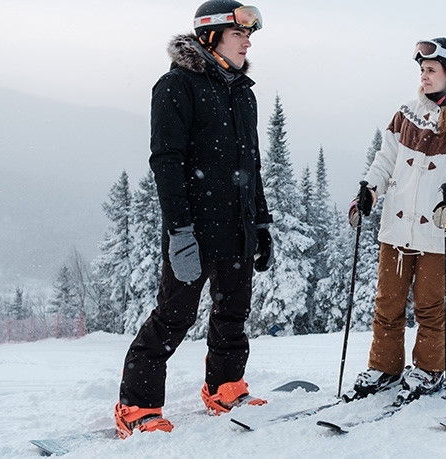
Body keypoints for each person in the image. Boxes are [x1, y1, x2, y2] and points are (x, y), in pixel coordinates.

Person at [114, 0, 273, 438]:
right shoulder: (177, 86)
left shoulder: (243, 92)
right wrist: (180, 232)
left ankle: (224, 386)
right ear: (210, 36)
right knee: (174, 316)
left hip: (237, 225)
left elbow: (252, 164)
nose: (247, 43)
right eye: (238, 34)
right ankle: (136, 404)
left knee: (233, 311)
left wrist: (261, 224)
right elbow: (166, 161)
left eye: (248, 35)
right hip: (196, 227)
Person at [346, 38, 446, 402]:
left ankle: (430, 369)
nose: (423, 77)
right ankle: (385, 367)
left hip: (439, 226)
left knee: (430, 306)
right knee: (388, 303)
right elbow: (385, 160)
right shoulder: (406, 113)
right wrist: (369, 190)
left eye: (431, 70)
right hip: (397, 229)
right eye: (422, 70)